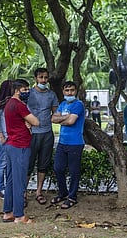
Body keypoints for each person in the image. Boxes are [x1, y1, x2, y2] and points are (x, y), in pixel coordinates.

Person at [2, 79, 39, 223]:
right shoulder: (18, 105)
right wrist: (29, 122)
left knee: (11, 180)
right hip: (20, 146)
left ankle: (8, 212)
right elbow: (36, 122)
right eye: (25, 89)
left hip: (11, 145)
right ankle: (19, 215)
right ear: (17, 90)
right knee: (19, 181)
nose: (27, 92)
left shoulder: (8, 104)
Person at [50, 81, 85, 209]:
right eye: (67, 90)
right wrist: (66, 118)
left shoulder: (78, 105)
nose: (69, 93)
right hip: (62, 142)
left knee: (74, 171)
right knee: (58, 168)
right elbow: (53, 119)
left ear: (76, 91)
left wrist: (63, 119)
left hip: (75, 143)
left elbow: (71, 121)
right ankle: (63, 192)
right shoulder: (63, 104)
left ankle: (72, 197)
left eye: (72, 90)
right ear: (63, 92)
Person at [27, 68, 58, 205]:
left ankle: (39, 192)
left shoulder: (51, 95)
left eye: (45, 77)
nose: (43, 80)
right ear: (35, 78)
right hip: (31, 134)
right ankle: (23, 192)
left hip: (47, 134)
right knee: (28, 164)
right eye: (41, 77)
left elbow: (55, 113)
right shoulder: (28, 93)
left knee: (43, 165)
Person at [0, 80, 14, 199]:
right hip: (2, 136)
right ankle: (0, 187)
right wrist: (0, 135)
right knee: (2, 162)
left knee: (8, 163)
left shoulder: (12, 102)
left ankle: (7, 186)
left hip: (11, 136)